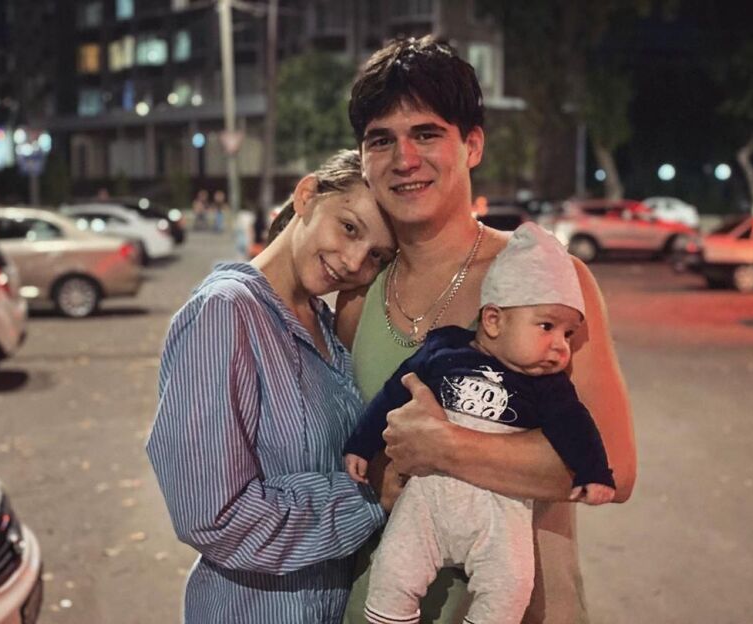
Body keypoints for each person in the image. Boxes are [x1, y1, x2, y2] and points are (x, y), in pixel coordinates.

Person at [337, 36, 636, 624]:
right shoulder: (358, 296)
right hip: (379, 602)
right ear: (363, 158)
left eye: (426, 133)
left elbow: (615, 468)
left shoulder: (549, 286)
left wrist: (446, 447)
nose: (404, 159)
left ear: (472, 144)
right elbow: (360, 459)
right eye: (381, 139)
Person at [146, 150, 397, 624]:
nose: (353, 261)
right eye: (349, 228)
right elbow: (214, 515)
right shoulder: (227, 313)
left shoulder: (327, 327)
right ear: (307, 196)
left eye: (377, 256)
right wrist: (370, 498)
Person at [344, 223, 615, 624]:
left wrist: (595, 472)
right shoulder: (444, 349)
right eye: (547, 326)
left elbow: (577, 428)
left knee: (511, 584)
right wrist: (360, 444)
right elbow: (394, 393)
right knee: (395, 566)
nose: (561, 346)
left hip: (500, 515)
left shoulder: (548, 387)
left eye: (569, 333)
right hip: (427, 503)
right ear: (493, 320)